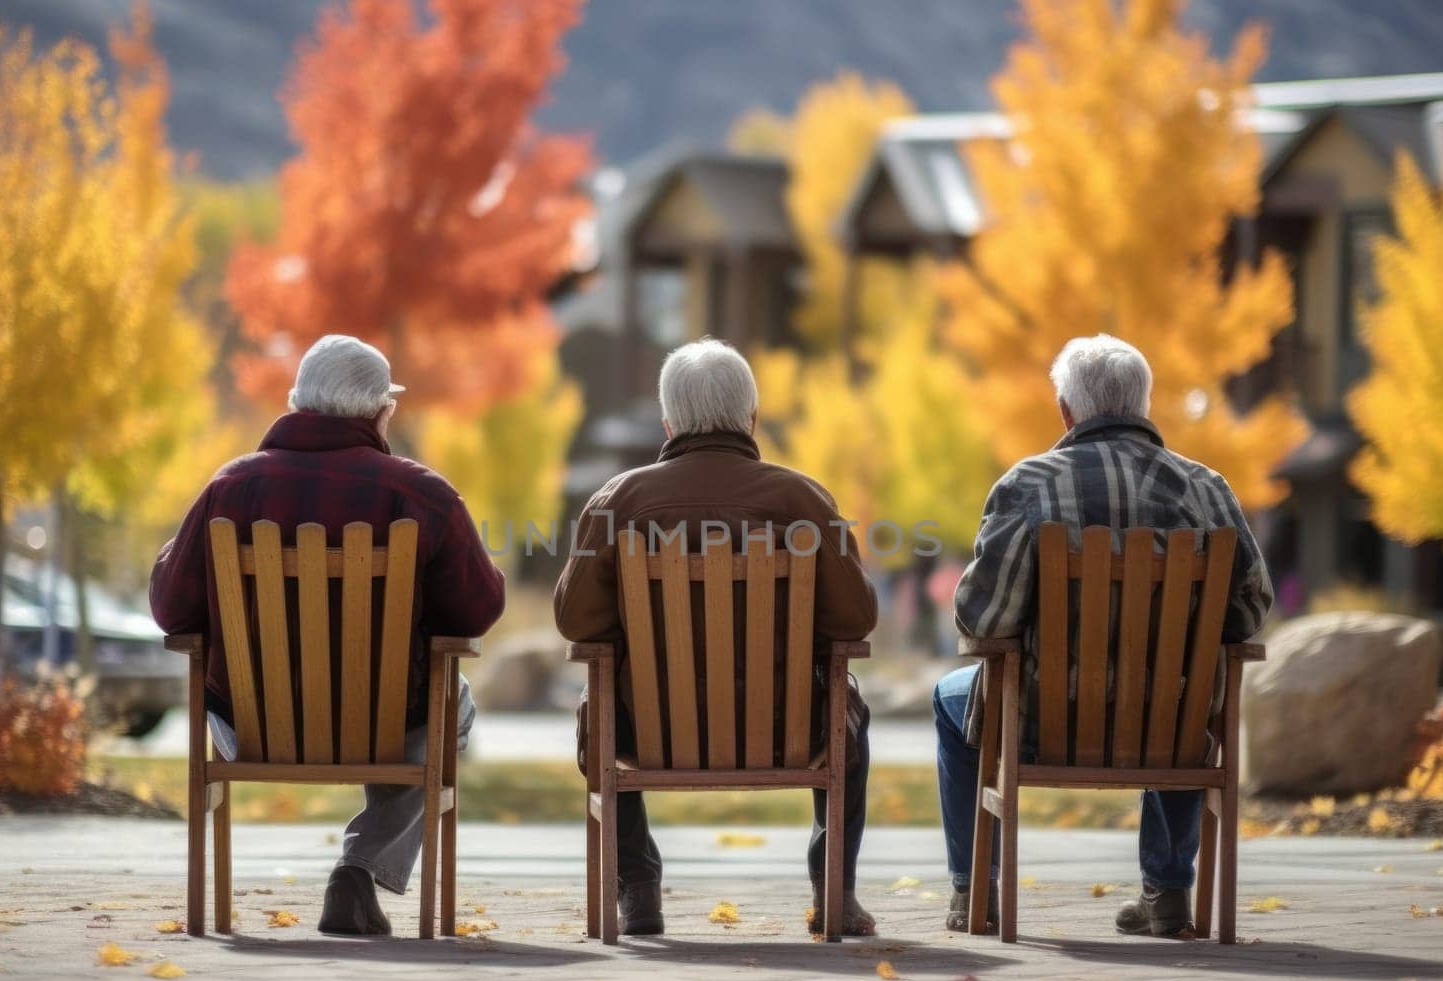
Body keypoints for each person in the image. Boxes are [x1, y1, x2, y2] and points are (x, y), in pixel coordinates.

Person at [150, 334, 504, 936]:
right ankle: (360, 870)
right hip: (390, 727)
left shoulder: (228, 489)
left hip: (253, 729)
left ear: (296, 402)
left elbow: (170, 609)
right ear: (379, 411)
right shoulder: (423, 495)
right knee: (451, 708)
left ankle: (312, 886)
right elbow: (478, 610)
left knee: (438, 707)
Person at [933, 334, 1273, 936]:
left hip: (1043, 717)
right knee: (1180, 689)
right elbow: (1249, 612)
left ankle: (974, 893)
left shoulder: (1029, 484)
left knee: (951, 699)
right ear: (1144, 404)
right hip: (1172, 718)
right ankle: (1168, 891)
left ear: (1066, 410)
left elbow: (982, 619)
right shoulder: (1207, 489)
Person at [554, 338, 879, 936]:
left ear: (668, 421)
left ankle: (638, 887)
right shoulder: (801, 499)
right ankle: (834, 888)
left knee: (594, 708)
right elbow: (855, 620)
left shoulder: (617, 501)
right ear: (751, 417)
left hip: (646, 729)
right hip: (789, 727)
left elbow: (576, 623)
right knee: (849, 708)